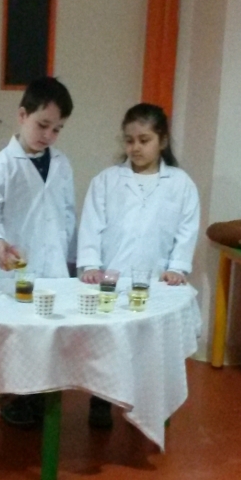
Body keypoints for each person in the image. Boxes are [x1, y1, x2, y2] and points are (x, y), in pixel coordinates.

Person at [77, 102, 200, 429]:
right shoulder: (106, 181)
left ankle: (153, 405)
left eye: (144, 140)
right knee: (108, 343)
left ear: (162, 140)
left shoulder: (180, 184)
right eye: (129, 140)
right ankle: (101, 399)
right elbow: (91, 225)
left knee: (151, 344)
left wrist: (177, 268)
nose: (135, 148)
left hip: (157, 280)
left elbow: (186, 230)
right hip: (111, 277)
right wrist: (90, 264)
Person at [0, 75, 77, 426]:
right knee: (15, 336)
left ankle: (42, 396)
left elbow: (68, 213)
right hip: (14, 267)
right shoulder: (3, 164)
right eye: (42, 125)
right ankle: (11, 397)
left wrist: (69, 256)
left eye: (57, 129)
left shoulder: (61, 164)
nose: (48, 135)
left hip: (53, 268)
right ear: (22, 115)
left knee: (47, 337)